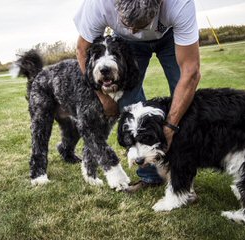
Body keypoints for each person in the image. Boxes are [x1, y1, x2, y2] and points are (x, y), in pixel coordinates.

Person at [74, 0, 201, 192]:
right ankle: (150, 176)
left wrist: (170, 125)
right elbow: (82, 50)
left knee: (184, 101)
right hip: (129, 46)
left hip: (169, 35)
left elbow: (190, 72)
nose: (134, 31)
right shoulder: (99, 5)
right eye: (127, 25)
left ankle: (183, 175)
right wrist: (104, 97)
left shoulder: (179, 4)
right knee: (128, 101)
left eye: (139, 26)